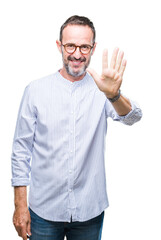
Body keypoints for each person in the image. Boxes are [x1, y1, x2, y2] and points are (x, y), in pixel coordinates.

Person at [11, 15, 142, 240]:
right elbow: (21, 151)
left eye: (84, 47)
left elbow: (132, 117)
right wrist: (20, 205)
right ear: (59, 46)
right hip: (43, 211)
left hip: (89, 211)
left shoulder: (103, 91)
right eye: (70, 45)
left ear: (93, 48)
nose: (77, 54)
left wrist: (113, 95)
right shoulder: (35, 90)